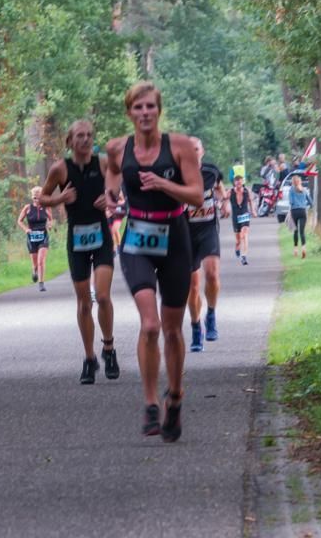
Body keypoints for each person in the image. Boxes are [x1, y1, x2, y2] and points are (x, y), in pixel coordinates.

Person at [105, 82, 203, 442]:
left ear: (159, 110)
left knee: (173, 330)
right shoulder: (118, 148)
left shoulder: (179, 147)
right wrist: (111, 196)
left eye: (150, 107)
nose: (144, 113)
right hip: (137, 240)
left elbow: (196, 195)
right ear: (129, 112)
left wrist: (164, 184)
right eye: (138, 108)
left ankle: (174, 398)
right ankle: (149, 403)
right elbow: (113, 173)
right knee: (150, 325)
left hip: (175, 237)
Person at [40, 120, 120, 384]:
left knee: (104, 296)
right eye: (79, 136)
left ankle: (108, 349)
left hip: (101, 238)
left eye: (89, 135)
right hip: (76, 241)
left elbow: (118, 187)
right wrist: (60, 199)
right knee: (84, 302)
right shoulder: (60, 169)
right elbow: (42, 198)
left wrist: (110, 198)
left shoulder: (104, 163)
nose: (85, 140)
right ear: (70, 141)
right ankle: (89, 358)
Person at [187, 137, 229, 352]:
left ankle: (211, 314)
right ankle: (196, 327)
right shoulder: (176, 174)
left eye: (196, 149)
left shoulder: (211, 170)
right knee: (192, 287)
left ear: (202, 151)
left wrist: (224, 202)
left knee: (212, 275)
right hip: (186, 233)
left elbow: (220, 187)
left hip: (208, 230)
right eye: (189, 150)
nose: (193, 153)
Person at [17, 186, 52, 292]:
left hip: (43, 236)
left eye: (38, 197)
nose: (36, 200)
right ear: (32, 198)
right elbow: (19, 221)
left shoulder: (46, 207)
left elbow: (50, 219)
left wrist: (49, 225)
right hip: (31, 237)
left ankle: (41, 283)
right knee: (35, 263)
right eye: (34, 198)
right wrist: (26, 229)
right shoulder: (27, 208)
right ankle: (34, 271)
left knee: (41, 260)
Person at [227, 175, 256, 265]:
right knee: (238, 240)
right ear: (234, 183)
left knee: (244, 234)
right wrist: (224, 208)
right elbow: (224, 200)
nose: (239, 183)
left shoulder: (247, 191)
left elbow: (251, 201)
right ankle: (237, 247)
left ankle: (244, 256)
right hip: (235, 216)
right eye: (237, 182)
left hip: (245, 215)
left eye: (240, 181)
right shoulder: (230, 192)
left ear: (243, 182)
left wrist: (253, 211)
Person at [289, 174, 312, 259]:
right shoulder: (304, 190)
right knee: (302, 232)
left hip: (294, 211)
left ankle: (295, 250)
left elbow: (291, 202)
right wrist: (305, 205)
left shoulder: (291, 190)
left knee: (295, 231)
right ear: (300, 182)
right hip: (303, 211)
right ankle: (303, 249)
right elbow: (310, 202)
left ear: (293, 182)